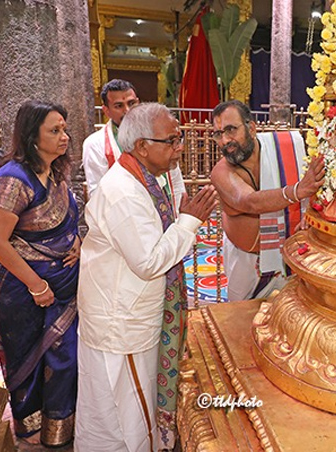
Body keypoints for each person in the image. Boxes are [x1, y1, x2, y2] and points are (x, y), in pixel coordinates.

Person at [74, 103, 218, 451]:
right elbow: (150, 261)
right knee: (125, 418)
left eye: (179, 138)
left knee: (117, 411)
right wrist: (189, 221)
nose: (180, 147)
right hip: (121, 324)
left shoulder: (145, 178)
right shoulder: (125, 191)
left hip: (123, 313)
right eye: (171, 140)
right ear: (141, 146)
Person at [0, 100, 81, 447]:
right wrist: (36, 285)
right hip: (26, 290)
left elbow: (66, 222)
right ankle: (31, 431)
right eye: (55, 130)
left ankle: (59, 429)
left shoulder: (56, 172)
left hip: (63, 285)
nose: (64, 137)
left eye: (64, 129)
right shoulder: (13, 179)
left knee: (65, 359)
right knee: (30, 362)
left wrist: (77, 242)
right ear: (32, 137)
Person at [209, 100, 325, 302]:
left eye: (231, 130)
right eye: (218, 134)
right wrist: (297, 191)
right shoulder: (221, 172)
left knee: (291, 315)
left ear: (251, 128)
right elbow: (249, 202)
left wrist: (311, 211)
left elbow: (316, 180)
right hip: (245, 264)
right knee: (243, 322)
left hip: (290, 255)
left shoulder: (286, 147)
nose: (225, 140)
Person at [82, 79, 186, 211]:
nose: (127, 110)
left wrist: (178, 216)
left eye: (131, 103)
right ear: (106, 111)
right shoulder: (96, 144)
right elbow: (97, 195)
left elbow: (175, 181)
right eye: (119, 106)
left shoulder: (158, 133)